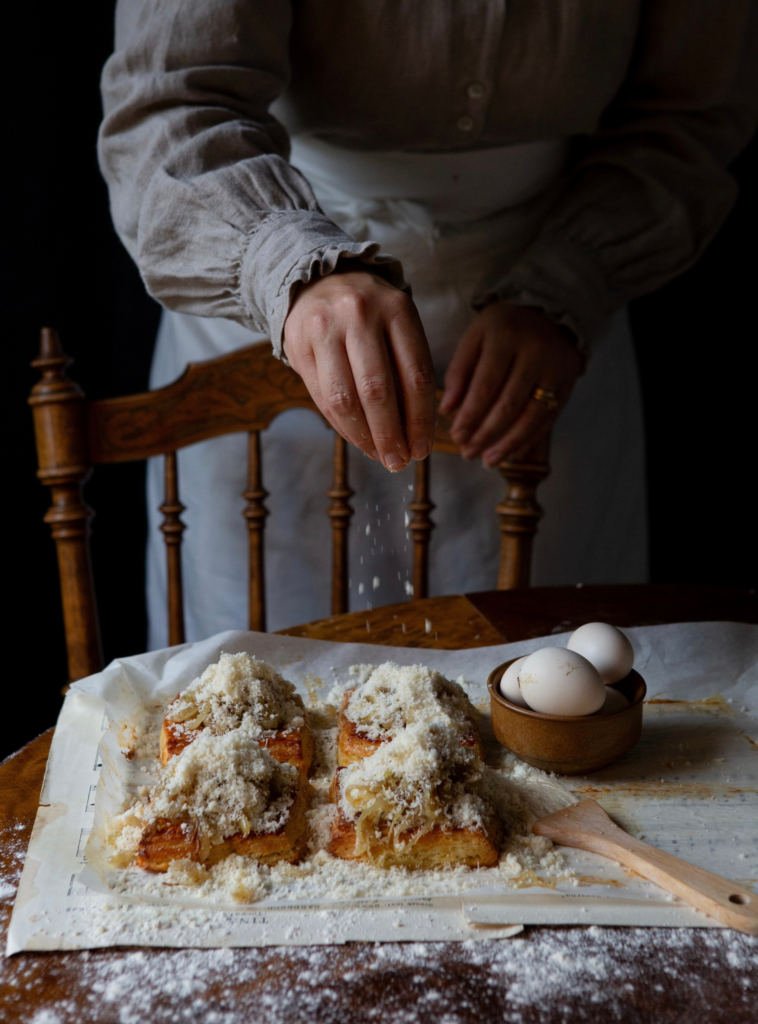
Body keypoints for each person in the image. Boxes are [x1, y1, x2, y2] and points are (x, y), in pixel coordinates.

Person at [99, 1, 757, 644]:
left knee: (556, 687)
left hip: (551, 322)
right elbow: (166, 108)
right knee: (254, 701)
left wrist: (570, 284)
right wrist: (292, 268)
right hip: (273, 304)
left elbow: (691, 115)